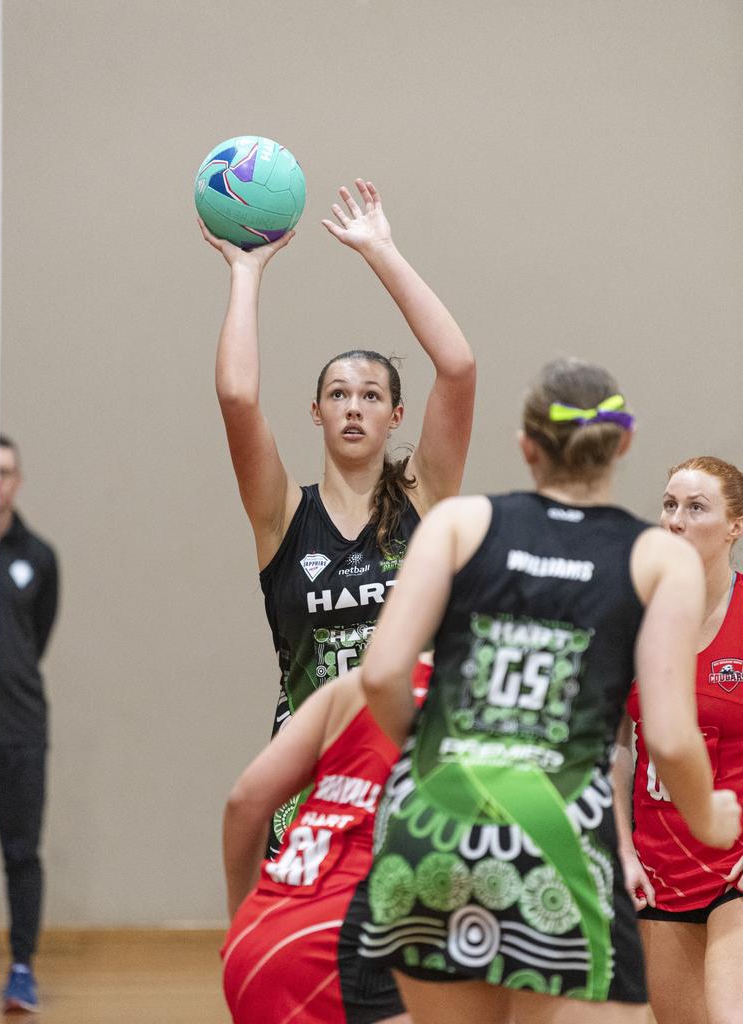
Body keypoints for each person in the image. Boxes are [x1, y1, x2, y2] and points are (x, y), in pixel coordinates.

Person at [355, 358, 742, 1023]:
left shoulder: (458, 523)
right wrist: (711, 817)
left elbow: (382, 674)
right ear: (623, 443)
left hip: (429, 828)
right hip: (552, 832)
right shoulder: (654, 558)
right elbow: (673, 739)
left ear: (526, 446)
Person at [200, 177, 475, 849]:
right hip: (311, 785)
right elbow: (237, 397)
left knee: (406, 956)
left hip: (417, 780)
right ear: (317, 412)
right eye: (339, 394)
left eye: (372, 395)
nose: (354, 406)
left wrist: (381, 250)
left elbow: (459, 368)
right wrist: (244, 270)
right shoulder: (281, 518)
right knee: (312, 957)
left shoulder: (426, 494)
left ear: (395, 416)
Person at [221, 659, 432, 1024]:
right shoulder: (476, 704)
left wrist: (241, 920)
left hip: (259, 936)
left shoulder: (349, 689)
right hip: (345, 941)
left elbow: (245, 802)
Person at [612, 456, 743, 1024]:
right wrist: (620, 847)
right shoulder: (630, 620)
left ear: (735, 526)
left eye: (696, 508)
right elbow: (612, 748)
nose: (676, 521)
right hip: (660, 865)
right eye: (669, 505)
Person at [0, 435, 60, 1012]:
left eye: (7, 471)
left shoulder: (37, 557)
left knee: (21, 852)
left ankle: (20, 968)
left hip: (19, 731)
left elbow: (33, 640)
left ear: (18, 480)